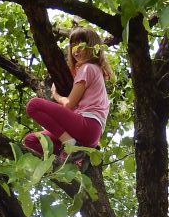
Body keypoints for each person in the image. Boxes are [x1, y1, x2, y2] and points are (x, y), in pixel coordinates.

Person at [22, 25, 112, 168]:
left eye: (81, 45)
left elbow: (69, 104)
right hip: (86, 135)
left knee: (34, 105)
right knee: (31, 140)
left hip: (88, 125)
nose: (76, 49)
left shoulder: (88, 68)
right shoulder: (94, 70)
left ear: (92, 47)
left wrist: (55, 95)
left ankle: (71, 146)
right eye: (73, 45)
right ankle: (75, 158)